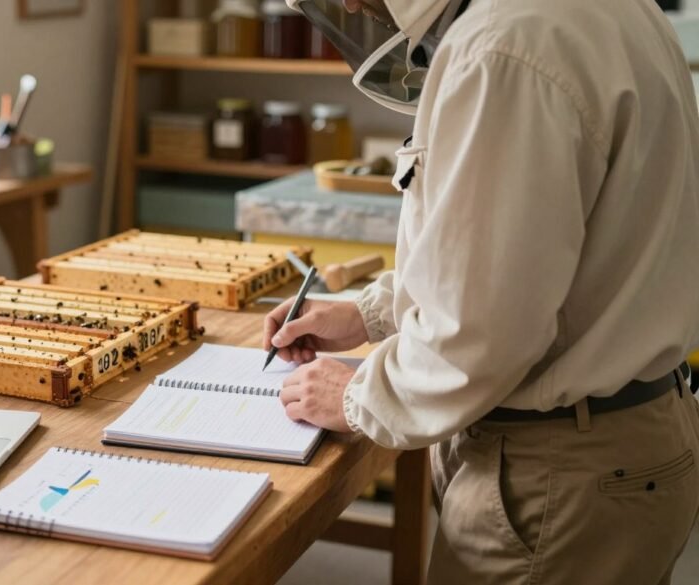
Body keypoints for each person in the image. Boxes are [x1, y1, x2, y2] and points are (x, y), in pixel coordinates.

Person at [267, 0, 699, 582]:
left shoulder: (500, 47)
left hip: (558, 475)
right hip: (627, 440)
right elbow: (537, 251)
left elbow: (478, 337)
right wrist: (370, 314)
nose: (345, 4)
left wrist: (355, 396)